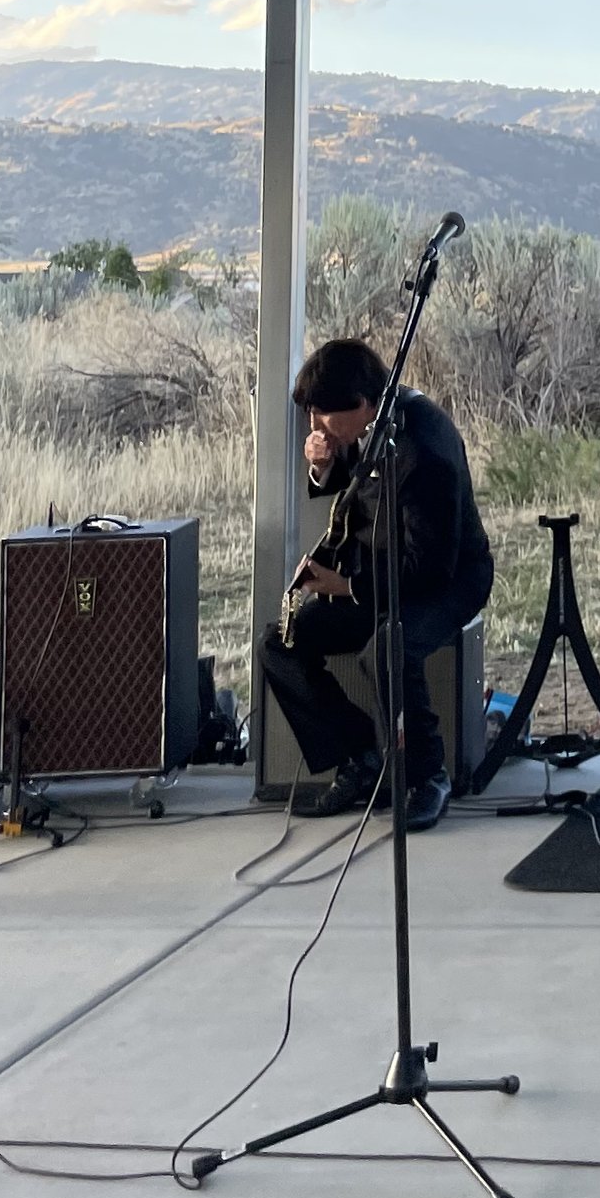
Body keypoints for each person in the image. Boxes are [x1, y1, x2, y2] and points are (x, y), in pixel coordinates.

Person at [257, 337, 493, 830]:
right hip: (377, 573)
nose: (317, 427)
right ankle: (360, 759)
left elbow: (429, 569)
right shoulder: (372, 422)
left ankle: (428, 778)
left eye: (323, 417)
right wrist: (323, 465)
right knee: (280, 643)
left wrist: (344, 587)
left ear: (361, 403)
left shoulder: (424, 447)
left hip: (448, 580)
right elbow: (359, 481)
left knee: (388, 646)